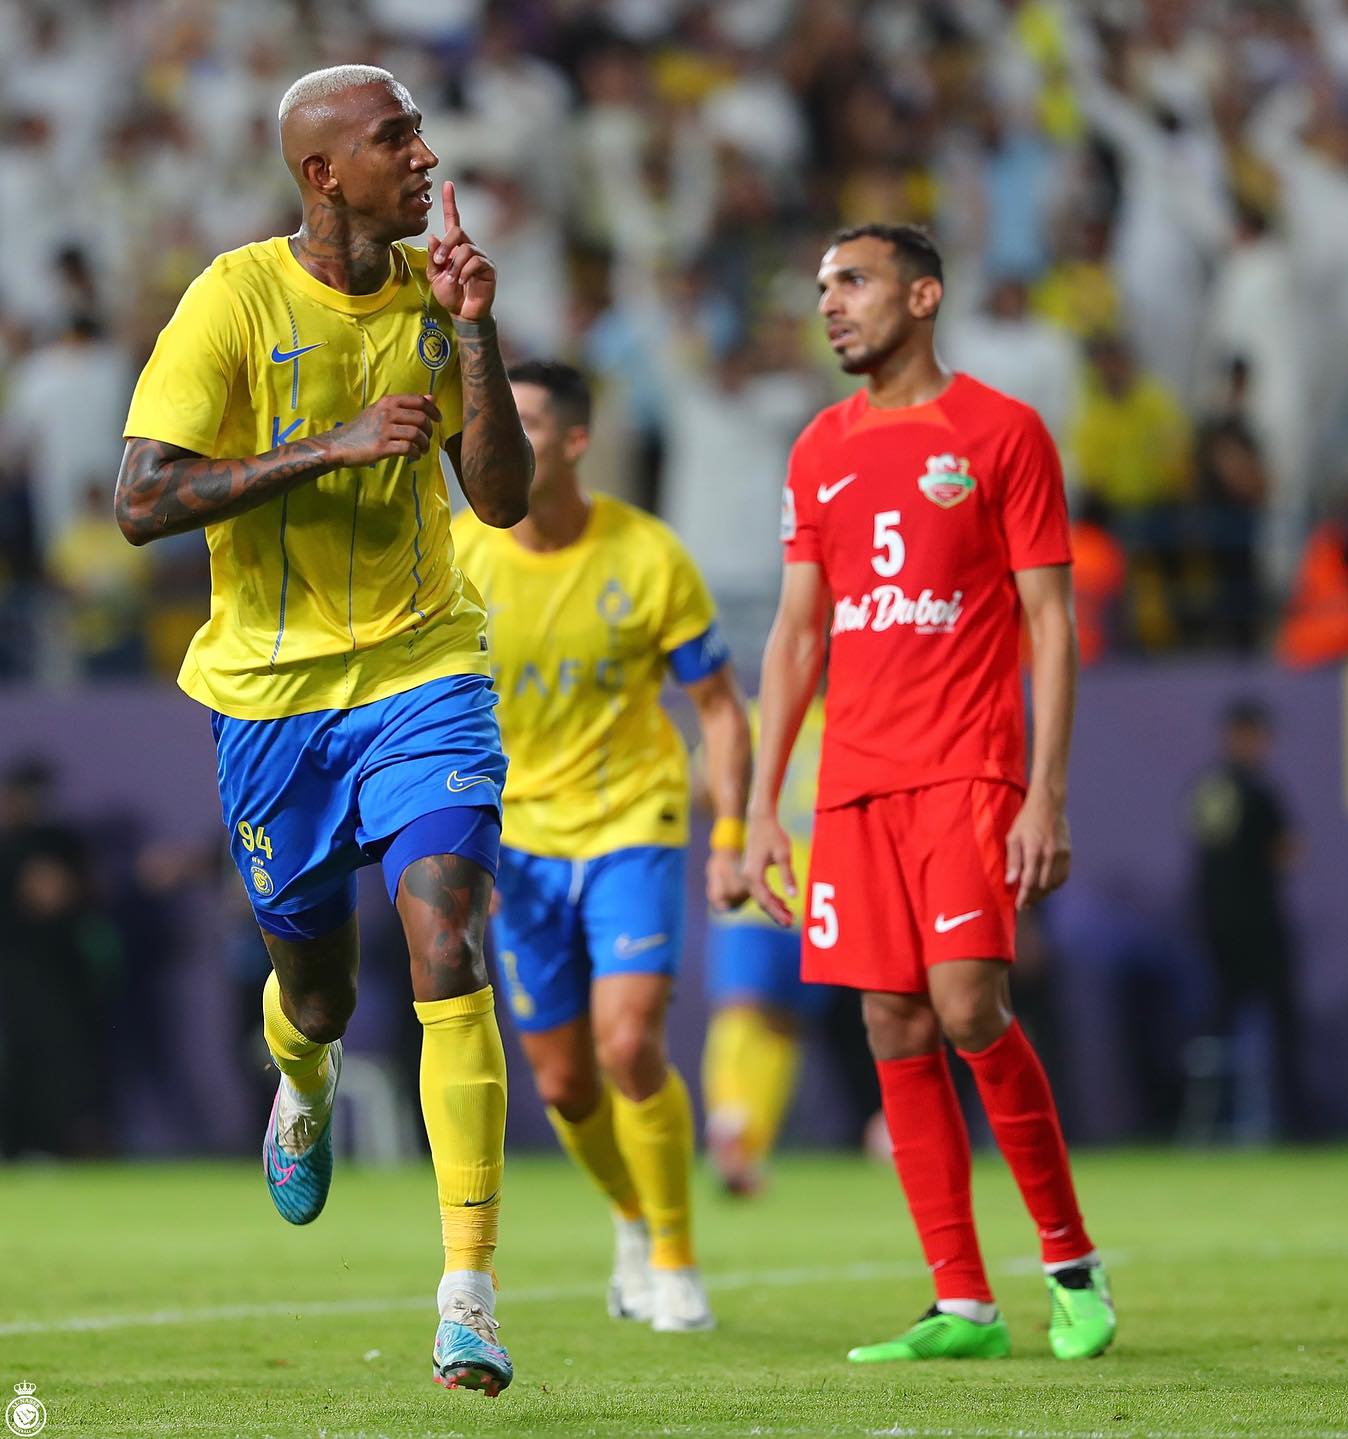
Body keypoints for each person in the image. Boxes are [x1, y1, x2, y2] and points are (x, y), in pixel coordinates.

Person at [113, 65, 533, 1396]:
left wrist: (476, 328)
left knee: (445, 921)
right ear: (321, 173)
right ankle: (301, 1069)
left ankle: (467, 1290)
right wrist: (330, 446)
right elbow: (141, 499)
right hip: (275, 697)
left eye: (417, 131)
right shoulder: (232, 299)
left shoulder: (433, 294)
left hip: (424, 665)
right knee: (322, 985)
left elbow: (505, 500)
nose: (422, 154)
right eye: (391, 137)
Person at [743, 223, 1116, 1365]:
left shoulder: (1002, 432)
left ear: (925, 294)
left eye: (851, 281)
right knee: (889, 1020)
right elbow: (800, 629)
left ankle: (1069, 1260)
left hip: (967, 766)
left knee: (966, 1007)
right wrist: (762, 801)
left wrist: (1044, 791)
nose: (830, 303)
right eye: (821, 285)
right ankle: (962, 1300)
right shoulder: (819, 447)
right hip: (854, 780)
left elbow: (1049, 625)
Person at [450, 360, 750, 1333]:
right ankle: (630, 1221)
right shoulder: (460, 558)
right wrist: (466, 841)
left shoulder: (647, 554)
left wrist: (733, 832)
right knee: (567, 1080)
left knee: (628, 1045)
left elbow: (718, 706)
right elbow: (431, 715)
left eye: (523, 421)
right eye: (488, 421)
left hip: (634, 822)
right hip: (522, 843)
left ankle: (676, 1255)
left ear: (574, 442)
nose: (495, 438)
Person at [701, 698, 825, 1196]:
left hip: (814, 898)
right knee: (742, 1008)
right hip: (758, 889)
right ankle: (729, 1125)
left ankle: (749, 1147)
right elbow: (704, 783)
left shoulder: (841, 721)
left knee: (783, 1027)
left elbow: (700, 789)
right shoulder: (755, 718)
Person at [1188, 699, 1304, 1139]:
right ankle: (1293, 1125)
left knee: (1218, 1027)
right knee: (1280, 1023)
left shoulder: (1206, 788)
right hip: (1257, 924)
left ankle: (1209, 1124)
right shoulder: (1258, 791)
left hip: (1213, 927)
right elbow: (1288, 852)